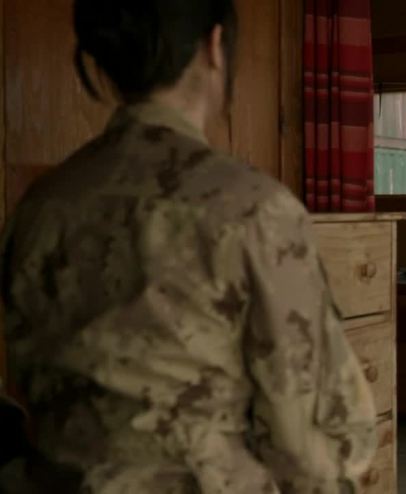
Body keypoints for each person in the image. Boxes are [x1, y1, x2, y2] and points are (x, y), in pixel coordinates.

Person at [0, 1, 376, 492]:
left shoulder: (40, 207)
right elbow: (301, 442)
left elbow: (25, 379)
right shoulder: (253, 210)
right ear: (215, 47)